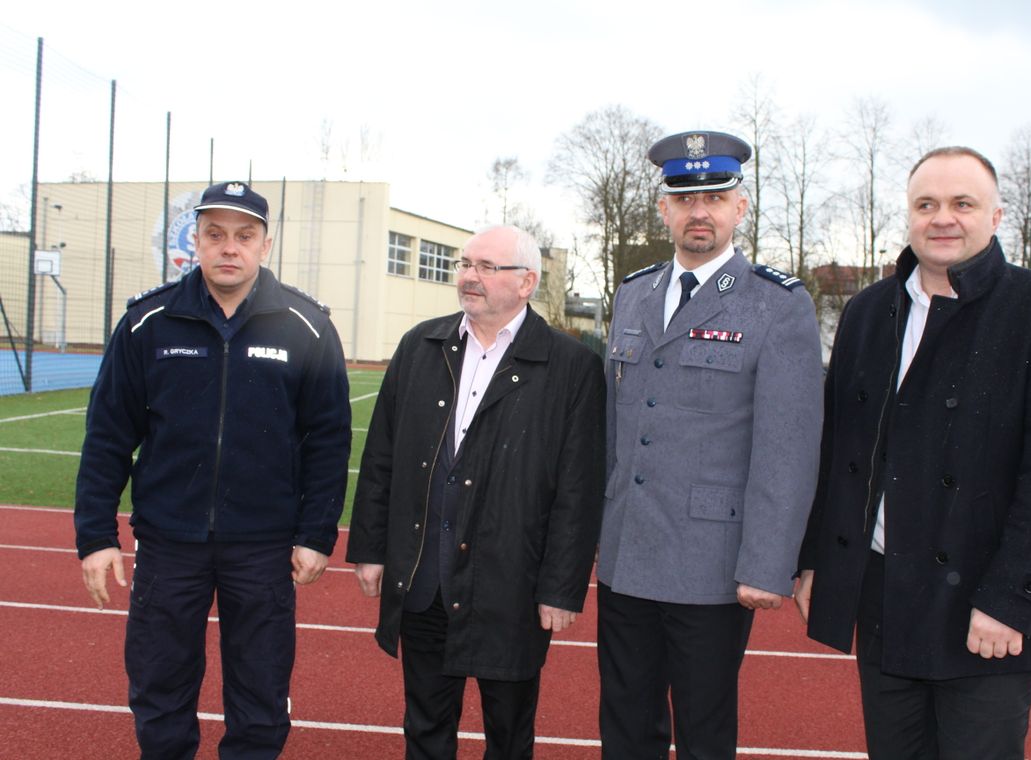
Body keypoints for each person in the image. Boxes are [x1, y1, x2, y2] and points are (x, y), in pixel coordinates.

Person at [794, 147, 1031, 759]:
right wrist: (815, 560)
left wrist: (1009, 601)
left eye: (962, 203)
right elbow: (838, 451)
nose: (943, 218)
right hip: (885, 598)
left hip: (982, 607)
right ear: (908, 217)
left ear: (995, 216)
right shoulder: (867, 313)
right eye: (926, 204)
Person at [74, 181, 352, 759]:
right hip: (169, 542)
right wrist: (95, 536)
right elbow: (107, 434)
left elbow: (328, 439)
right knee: (159, 686)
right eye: (216, 234)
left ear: (265, 245)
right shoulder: (147, 323)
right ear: (195, 242)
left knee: (260, 695)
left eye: (244, 236)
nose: (230, 248)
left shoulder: (307, 326)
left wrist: (316, 533)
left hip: (264, 546)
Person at [597, 131, 824, 759]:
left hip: (713, 563)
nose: (701, 211)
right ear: (664, 207)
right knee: (625, 723)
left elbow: (790, 446)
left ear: (740, 208)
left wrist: (766, 562)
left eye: (716, 197)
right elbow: (615, 432)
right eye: (685, 196)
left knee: (703, 730)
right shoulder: (633, 294)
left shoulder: (777, 305)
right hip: (625, 552)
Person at [347, 225, 605, 760]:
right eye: (466, 263)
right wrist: (371, 550)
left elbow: (579, 488)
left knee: (509, 738)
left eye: (487, 267)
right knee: (425, 728)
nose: (469, 276)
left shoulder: (571, 367)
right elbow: (382, 458)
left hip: (509, 586)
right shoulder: (421, 344)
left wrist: (561, 586)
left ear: (527, 282)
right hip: (424, 580)